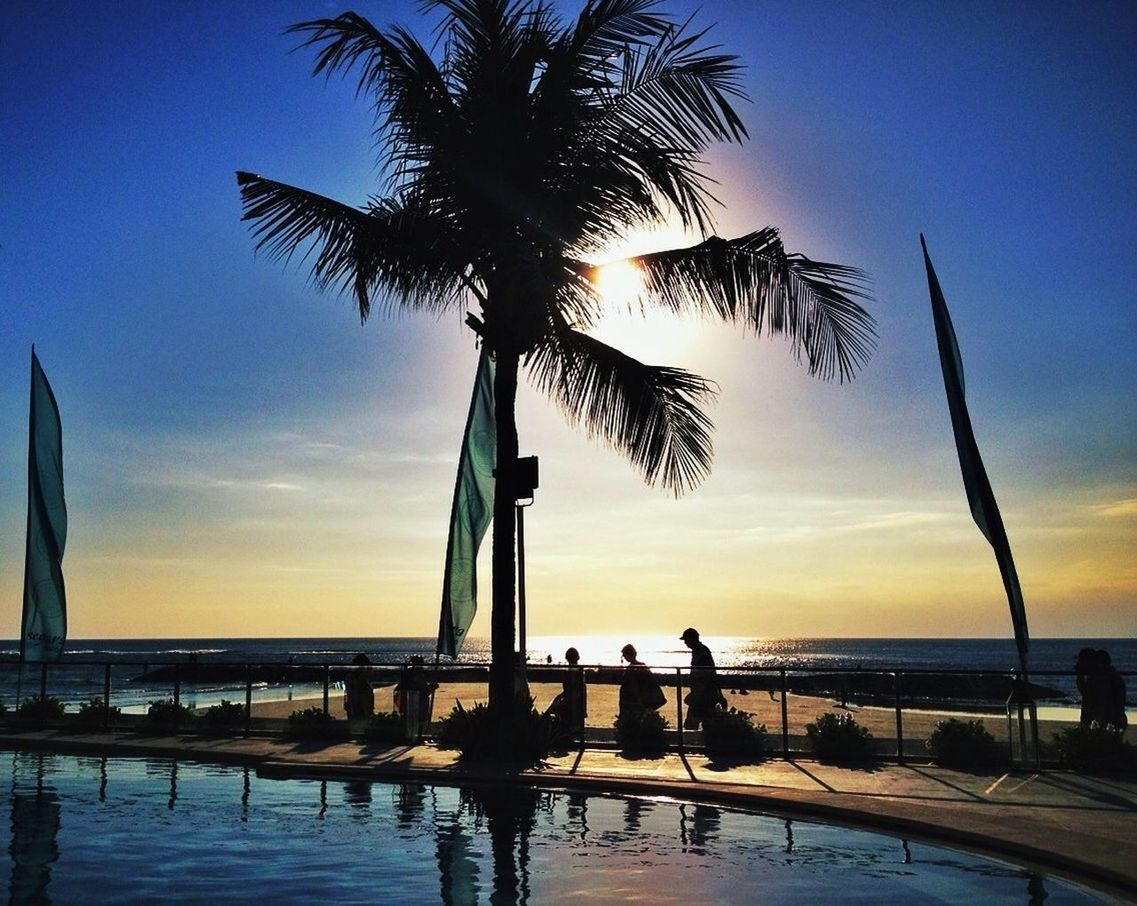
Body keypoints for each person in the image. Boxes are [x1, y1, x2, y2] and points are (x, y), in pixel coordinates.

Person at [680, 627, 726, 730]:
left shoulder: (701, 652)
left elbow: (707, 675)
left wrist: (697, 691)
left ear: (691, 639)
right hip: (702, 693)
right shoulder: (699, 651)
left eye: (686, 640)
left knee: (692, 724)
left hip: (702, 695)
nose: (685, 643)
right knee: (705, 722)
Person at [618, 643, 666, 721]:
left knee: (631, 720)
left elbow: (634, 685)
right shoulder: (642, 666)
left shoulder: (631, 669)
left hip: (632, 700)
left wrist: (638, 699)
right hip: (638, 699)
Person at [546, 647, 587, 735]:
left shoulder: (572, 672)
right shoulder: (578, 671)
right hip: (573, 700)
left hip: (571, 701)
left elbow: (569, 690)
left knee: (554, 709)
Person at [344, 653, 375, 720]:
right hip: (358, 708)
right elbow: (351, 695)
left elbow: (349, 694)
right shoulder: (356, 679)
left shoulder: (353, 678)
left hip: (357, 708)